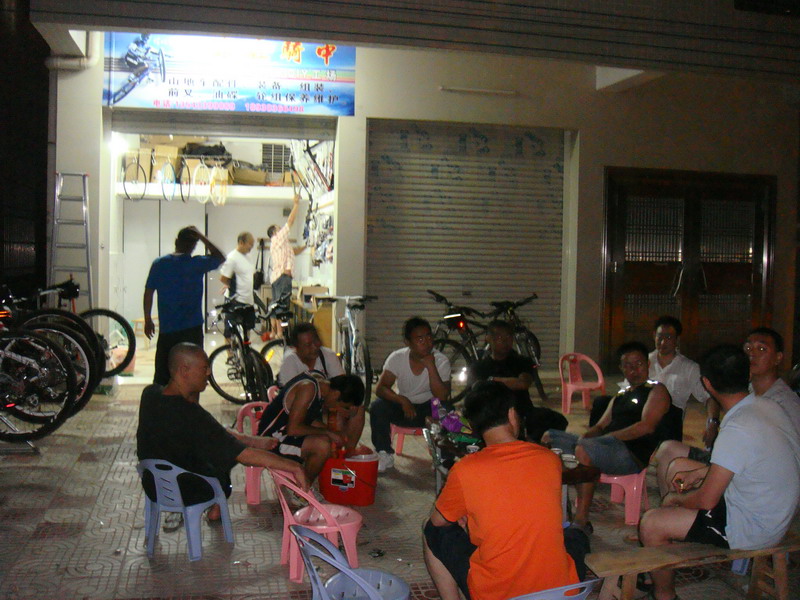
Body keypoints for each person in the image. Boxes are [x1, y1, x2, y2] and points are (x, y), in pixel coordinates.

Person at [640, 344, 800, 600]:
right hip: (774, 509)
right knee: (679, 467)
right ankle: (674, 543)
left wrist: (676, 499)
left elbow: (706, 500)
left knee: (651, 523)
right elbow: (749, 462)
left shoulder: (737, 427)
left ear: (707, 384)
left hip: (753, 528)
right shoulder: (767, 407)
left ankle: (664, 594)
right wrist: (702, 473)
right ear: (747, 375)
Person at [423, 381, 582, 600]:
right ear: (512, 414)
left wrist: (466, 514)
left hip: (497, 594)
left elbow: (439, 521)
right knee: (576, 536)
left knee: (431, 529)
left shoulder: (465, 469)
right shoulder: (549, 460)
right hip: (559, 592)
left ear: (473, 425)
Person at [137, 343, 307, 523]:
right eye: (204, 368)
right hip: (185, 491)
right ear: (184, 370)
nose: (209, 373)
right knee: (224, 457)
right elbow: (245, 456)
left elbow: (210, 432)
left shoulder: (150, 394)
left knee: (218, 445)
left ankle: (217, 502)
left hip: (153, 486)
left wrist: (246, 439)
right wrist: (294, 466)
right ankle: (216, 505)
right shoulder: (192, 415)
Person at [544, 341, 677, 528]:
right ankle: (556, 502)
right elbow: (600, 426)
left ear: (647, 364)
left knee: (584, 450)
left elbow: (646, 426)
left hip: (630, 453)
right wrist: (585, 437)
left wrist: (605, 439)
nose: (633, 370)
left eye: (638, 364)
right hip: (605, 444)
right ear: (621, 368)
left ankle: (581, 520)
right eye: (628, 365)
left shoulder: (656, 390)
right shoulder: (621, 395)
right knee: (550, 437)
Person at [653, 326, 800, 496]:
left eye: (761, 349)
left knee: (678, 467)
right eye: (748, 348)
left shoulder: (784, 402)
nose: (752, 354)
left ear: (778, 358)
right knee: (668, 449)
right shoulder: (745, 389)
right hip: (732, 461)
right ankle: (670, 506)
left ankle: (675, 508)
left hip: (755, 476)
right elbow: (715, 398)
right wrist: (712, 422)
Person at [590, 316, 711, 441]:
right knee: (602, 403)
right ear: (654, 336)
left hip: (667, 418)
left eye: (669, 337)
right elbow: (627, 389)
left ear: (677, 339)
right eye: (660, 337)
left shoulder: (689, 367)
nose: (663, 342)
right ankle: (595, 441)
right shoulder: (642, 360)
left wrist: (713, 422)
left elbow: (708, 397)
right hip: (639, 408)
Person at [143, 226, 224, 386]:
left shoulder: (160, 264)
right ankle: (189, 399)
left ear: (176, 242)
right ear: (194, 246)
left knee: (163, 375)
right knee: (194, 374)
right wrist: (202, 236)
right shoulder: (196, 264)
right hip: (192, 329)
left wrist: (148, 319)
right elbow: (220, 257)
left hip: (168, 329)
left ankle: (163, 399)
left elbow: (148, 293)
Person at [370, 317, 450, 473]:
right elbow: (381, 388)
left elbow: (442, 396)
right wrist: (402, 400)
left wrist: (431, 366)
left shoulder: (441, 361)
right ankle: (384, 452)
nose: (426, 343)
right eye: (420, 339)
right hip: (404, 409)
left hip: (429, 408)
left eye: (429, 337)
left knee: (446, 410)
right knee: (378, 406)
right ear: (408, 342)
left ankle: (443, 457)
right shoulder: (398, 358)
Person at [467, 319, 567, 442]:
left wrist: (492, 380)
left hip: (522, 411)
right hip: (492, 417)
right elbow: (475, 389)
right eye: (499, 337)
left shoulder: (522, 362)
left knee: (558, 420)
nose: (505, 342)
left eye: (509, 337)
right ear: (488, 339)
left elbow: (523, 383)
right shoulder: (479, 367)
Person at [258, 372, 365, 485]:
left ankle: (305, 484)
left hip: (282, 434)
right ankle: (302, 489)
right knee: (322, 446)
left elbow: (308, 420)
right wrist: (327, 432)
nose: (337, 409)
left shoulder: (318, 384)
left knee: (328, 440)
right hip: (270, 440)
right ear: (336, 394)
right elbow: (293, 429)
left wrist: (333, 433)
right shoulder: (308, 388)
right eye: (342, 406)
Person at [278, 323, 365, 453]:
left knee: (356, 408)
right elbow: (292, 403)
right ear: (296, 348)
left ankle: (347, 452)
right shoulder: (290, 362)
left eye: (316, 341)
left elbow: (341, 388)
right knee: (336, 415)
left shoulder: (328, 355)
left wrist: (346, 407)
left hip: (325, 403)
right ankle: (331, 451)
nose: (314, 347)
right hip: (301, 410)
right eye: (308, 345)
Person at [267, 194, 304, 338]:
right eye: (278, 228)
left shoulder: (281, 244)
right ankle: (280, 334)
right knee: (282, 307)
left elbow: (293, 252)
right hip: (282, 278)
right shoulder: (277, 238)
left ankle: (276, 333)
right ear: (275, 232)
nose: (281, 229)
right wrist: (296, 204)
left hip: (278, 278)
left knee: (276, 305)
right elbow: (290, 222)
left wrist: (306, 247)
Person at [219, 231, 257, 342]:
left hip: (248, 300)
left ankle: (245, 350)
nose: (251, 247)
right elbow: (223, 278)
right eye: (250, 244)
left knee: (247, 328)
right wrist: (230, 286)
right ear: (241, 242)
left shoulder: (249, 257)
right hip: (235, 300)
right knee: (230, 331)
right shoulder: (232, 258)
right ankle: (230, 352)